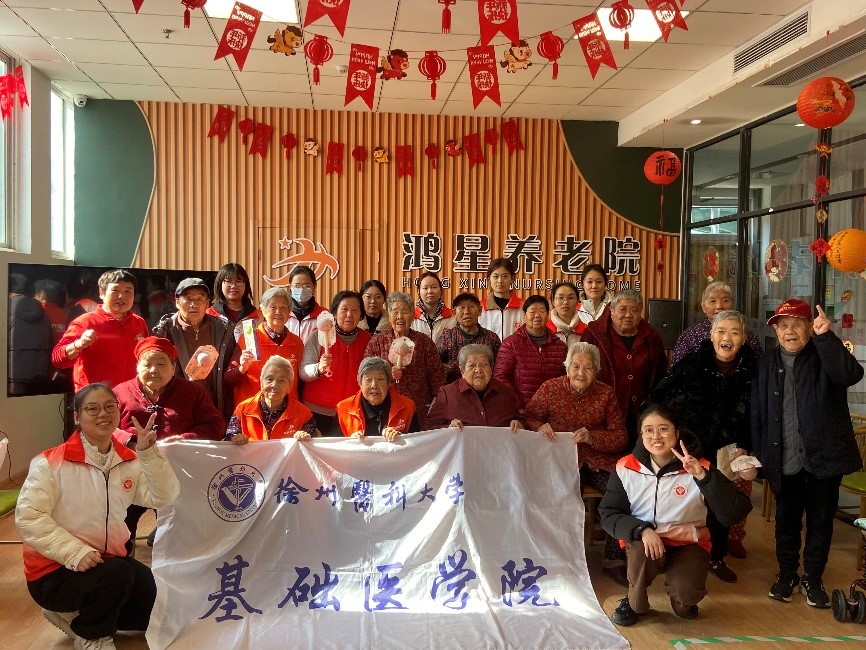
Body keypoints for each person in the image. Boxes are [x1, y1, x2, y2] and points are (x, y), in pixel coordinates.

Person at [16, 383, 180, 649]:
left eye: (109, 406)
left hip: (106, 564)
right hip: (54, 572)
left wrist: (148, 454)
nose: (103, 414)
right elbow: (29, 518)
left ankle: (74, 616)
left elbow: (163, 497)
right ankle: (91, 635)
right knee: (117, 574)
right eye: (92, 409)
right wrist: (75, 553)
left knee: (160, 608)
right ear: (77, 417)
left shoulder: (128, 460)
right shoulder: (50, 463)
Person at [751, 299, 864, 608]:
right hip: (783, 456)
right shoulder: (767, 362)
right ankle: (787, 574)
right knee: (786, 521)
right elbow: (758, 411)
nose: (790, 331)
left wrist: (826, 337)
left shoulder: (824, 354)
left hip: (822, 458)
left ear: (809, 328)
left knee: (821, 522)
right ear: (776, 330)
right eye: (783, 326)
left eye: (797, 325)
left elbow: (850, 374)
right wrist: (760, 456)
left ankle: (813, 577)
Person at [600, 404, 752, 627]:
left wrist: (703, 477)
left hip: (688, 543)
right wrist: (642, 530)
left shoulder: (700, 466)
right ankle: (633, 602)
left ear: (677, 432)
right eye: (648, 430)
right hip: (646, 542)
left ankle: (684, 598)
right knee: (640, 555)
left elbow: (733, 512)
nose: (656, 437)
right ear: (640, 434)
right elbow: (608, 513)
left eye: (664, 429)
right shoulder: (625, 467)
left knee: (685, 605)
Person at [650, 310, 757, 582]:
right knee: (684, 502)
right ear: (711, 335)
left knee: (719, 506)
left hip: (728, 451)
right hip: (690, 448)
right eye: (721, 331)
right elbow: (662, 399)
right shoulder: (692, 364)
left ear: (744, 338)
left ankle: (716, 558)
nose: (727, 337)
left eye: (734, 332)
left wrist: (747, 446)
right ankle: (677, 556)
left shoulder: (754, 370)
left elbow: (759, 414)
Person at [524, 341, 628, 585]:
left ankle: (614, 560)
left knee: (622, 492)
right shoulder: (550, 389)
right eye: (576, 366)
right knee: (562, 497)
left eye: (588, 367)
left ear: (597, 370)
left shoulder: (605, 393)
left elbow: (620, 436)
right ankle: (563, 558)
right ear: (567, 367)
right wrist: (540, 427)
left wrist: (593, 437)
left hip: (597, 461)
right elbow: (528, 417)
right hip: (559, 463)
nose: (581, 373)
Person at [114, 337, 223, 552]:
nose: (154, 369)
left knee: (176, 532)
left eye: (161, 364)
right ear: (137, 367)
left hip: (176, 473)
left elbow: (215, 425)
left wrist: (185, 439)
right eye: (147, 363)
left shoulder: (192, 392)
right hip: (130, 473)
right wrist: (132, 441)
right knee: (121, 530)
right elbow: (105, 428)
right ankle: (124, 565)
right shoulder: (120, 393)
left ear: (173, 368)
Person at [580, 289, 667, 444]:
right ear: (612, 311)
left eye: (634, 310)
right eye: (622, 309)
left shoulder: (652, 337)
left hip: (641, 412)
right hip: (601, 410)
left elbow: (661, 375)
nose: (628, 315)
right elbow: (581, 372)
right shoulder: (593, 334)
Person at [152, 277, 236, 420]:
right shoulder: (164, 332)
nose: (194, 305)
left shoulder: (224, 330)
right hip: (177, 407)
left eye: (199, 299)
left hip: (214, 405)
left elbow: (229, 368)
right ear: (177, 302)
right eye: (188, 299)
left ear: (207, 304)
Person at [52, 270, 149, 392]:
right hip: (96, 398)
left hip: (132, 396)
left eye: (128, 291)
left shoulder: (139, 323)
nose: (122, 296)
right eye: (115, 290)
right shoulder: (84, 322)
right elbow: (57, 359)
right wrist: (78, 345)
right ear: (101, 293)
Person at [363, 292, 446, 426]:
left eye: (405, 312)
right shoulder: (377, 342)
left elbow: (437, 377)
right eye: (395, 312)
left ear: (413, 315)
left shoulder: (424, 342)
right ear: (389, 316)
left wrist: (439, 408)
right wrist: (388, 374)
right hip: (385, 410)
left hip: (419, 410)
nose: (400, 316)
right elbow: (366, 374)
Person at [300, 291, 372, 436]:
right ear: (334, 312)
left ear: (361, 315)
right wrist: (318, 368)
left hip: (351, 412)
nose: (349, 315)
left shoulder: (368, 340)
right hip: (316, 411)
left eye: (355, 310)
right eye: (344, 309)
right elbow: (303, 372)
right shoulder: (319, 335)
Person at [225, 287, 305, 408]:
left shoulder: (297, 343)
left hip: (286, 410)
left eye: (283, 307)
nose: (278, 312)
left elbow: (300, 383)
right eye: (273, 307)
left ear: (289, 312)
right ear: (263, 310)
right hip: (252, 409)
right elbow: (229, 379)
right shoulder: (248, 338)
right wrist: (242, 368)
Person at [492, 295, 567, 407]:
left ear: (548, 315)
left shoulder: (560, 346)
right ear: (524, 316)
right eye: (532, 311)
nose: (537, 316)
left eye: (541, 311)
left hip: (552, 410)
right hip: (521, 410)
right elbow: (501, 378)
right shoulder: (510, 344)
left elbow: (566, 379)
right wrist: (517, 405)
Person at [427, 344, 522, 431]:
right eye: (472, 365)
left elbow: (521, 420)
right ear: (462, 371)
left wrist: (519, 424)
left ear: (491, 368)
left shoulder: (505, 391)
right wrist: (448, 428)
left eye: (484, 365)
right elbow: (429, 426)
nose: (478, 370)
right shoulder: (448, 394)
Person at [670, 281, 763, 368]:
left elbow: (761, 369)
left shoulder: (748, 336)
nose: (719, 306)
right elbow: (675, 370)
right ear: (703, 306)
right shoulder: (690, 336)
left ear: (732, 304)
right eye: (712, 301)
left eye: (725, 301)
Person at [226, 356, 317, 444]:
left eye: (281, 380)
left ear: (290, 386)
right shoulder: (242, 410)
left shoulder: (304, 414)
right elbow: (230, 436)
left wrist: (305, 437)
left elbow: (313, 443)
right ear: (261, 382)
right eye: (269, 379)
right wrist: (235, 437)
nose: (274, 385)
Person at [336, 357, 419, 441]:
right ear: (359, 383)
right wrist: (349, 441)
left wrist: (401, 437)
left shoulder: (408, 407)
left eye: (380, 379)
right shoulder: (343, 408)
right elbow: (333, 444)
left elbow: (418, 442)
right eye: (368, 380)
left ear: (388, 383)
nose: (374, 385)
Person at [436, 292, 502, 383]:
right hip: (455, 389)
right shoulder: (446, 338)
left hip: (484, 388)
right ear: (454, 313)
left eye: (471, 306)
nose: (467, 312)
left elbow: (499, 368)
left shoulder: (492, 338)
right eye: (461, 308)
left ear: (480, 310)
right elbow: (436, 367)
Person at [8, 273, 52, 396]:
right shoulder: (42, 312)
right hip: (39, 375)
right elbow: (51, 342)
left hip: (12, 377)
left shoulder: (4, 308)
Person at [478, 257, 523, 340]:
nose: (500, 281)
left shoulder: (524, 307)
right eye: (495, 276)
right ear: (489, 279)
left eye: (505, 276)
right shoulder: (479, 307)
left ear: (512, 278)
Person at [411, 272, 456, 343]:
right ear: (419, 292)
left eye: (434, 287)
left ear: (441, 290)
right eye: (425, 288)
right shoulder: (411, 317)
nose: (430, 291)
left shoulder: (453, 317)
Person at [286, 265, 325, 345]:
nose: (301, 290)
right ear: (290, 287)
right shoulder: (283, 314)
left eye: (306, 286)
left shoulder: (324, 315)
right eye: (297, 286)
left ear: (314, 287)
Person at [548, 281, 585, 346]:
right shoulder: (544, 330)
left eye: (570, 298)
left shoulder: (586, 330)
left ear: (577, 301)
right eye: (560, 298)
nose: (565, 302)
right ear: (553, 301)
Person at [34, 278, 69, 345]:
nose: (33, 297)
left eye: (35, 294)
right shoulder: (67, 315)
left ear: (41, 295)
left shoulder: (37, 314)